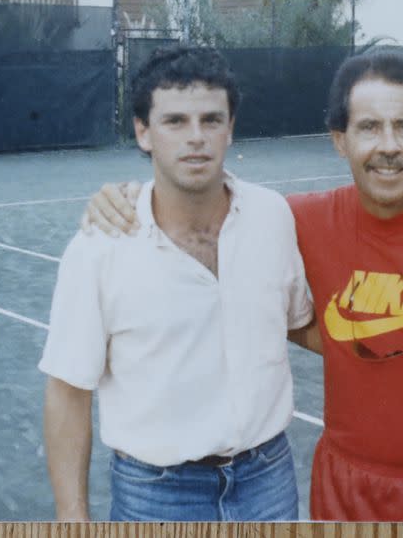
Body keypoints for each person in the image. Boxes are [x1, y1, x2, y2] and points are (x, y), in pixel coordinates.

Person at [82, 50, 403, 522]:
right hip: (346, 491)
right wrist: (128, 198)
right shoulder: (294, 219)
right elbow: (206, 210)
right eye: (369, 127)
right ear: (339, 140)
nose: (388, 145)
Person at [39, 46, 314, 522]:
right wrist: (72, 515)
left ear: (230, 128)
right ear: (143, 132)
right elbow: (67, 390)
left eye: (211, 119)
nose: (196, 138)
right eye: (175, 122)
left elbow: (297, 323)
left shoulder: (273, 217)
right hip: (156, 495)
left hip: (267, 480)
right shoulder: (98, 247)